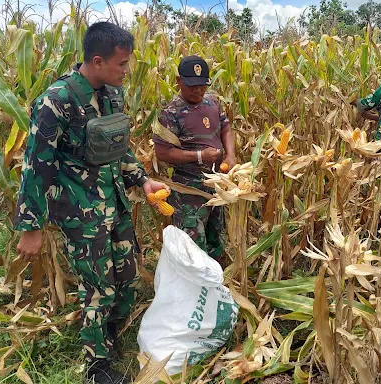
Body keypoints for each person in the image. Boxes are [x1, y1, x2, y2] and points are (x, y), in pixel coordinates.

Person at [13, 21, 170, 384]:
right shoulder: (58, 101)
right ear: (97, 61)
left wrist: (142, 180)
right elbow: (36, 165)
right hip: (80, 210)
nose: (127, 71)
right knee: (99, 285)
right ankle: (96, 363)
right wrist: (30, 227)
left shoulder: (112, 95)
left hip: (113, 200)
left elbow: (118, 149)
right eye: (122, 64)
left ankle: (111, 335)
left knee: (127, 276)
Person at [153, 55, 236, 266]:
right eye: (191, 85)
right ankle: (193, 284)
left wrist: (230, 155)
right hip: (189, 188)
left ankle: (216, 275)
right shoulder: (170, 113)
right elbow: (163, 152)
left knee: (215, 232)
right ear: (179, 81)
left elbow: (226, 128)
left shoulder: (213, 102)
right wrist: (199, 156)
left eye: (202, 85)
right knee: (192, 241)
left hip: (217, 182)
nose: (197, 90)